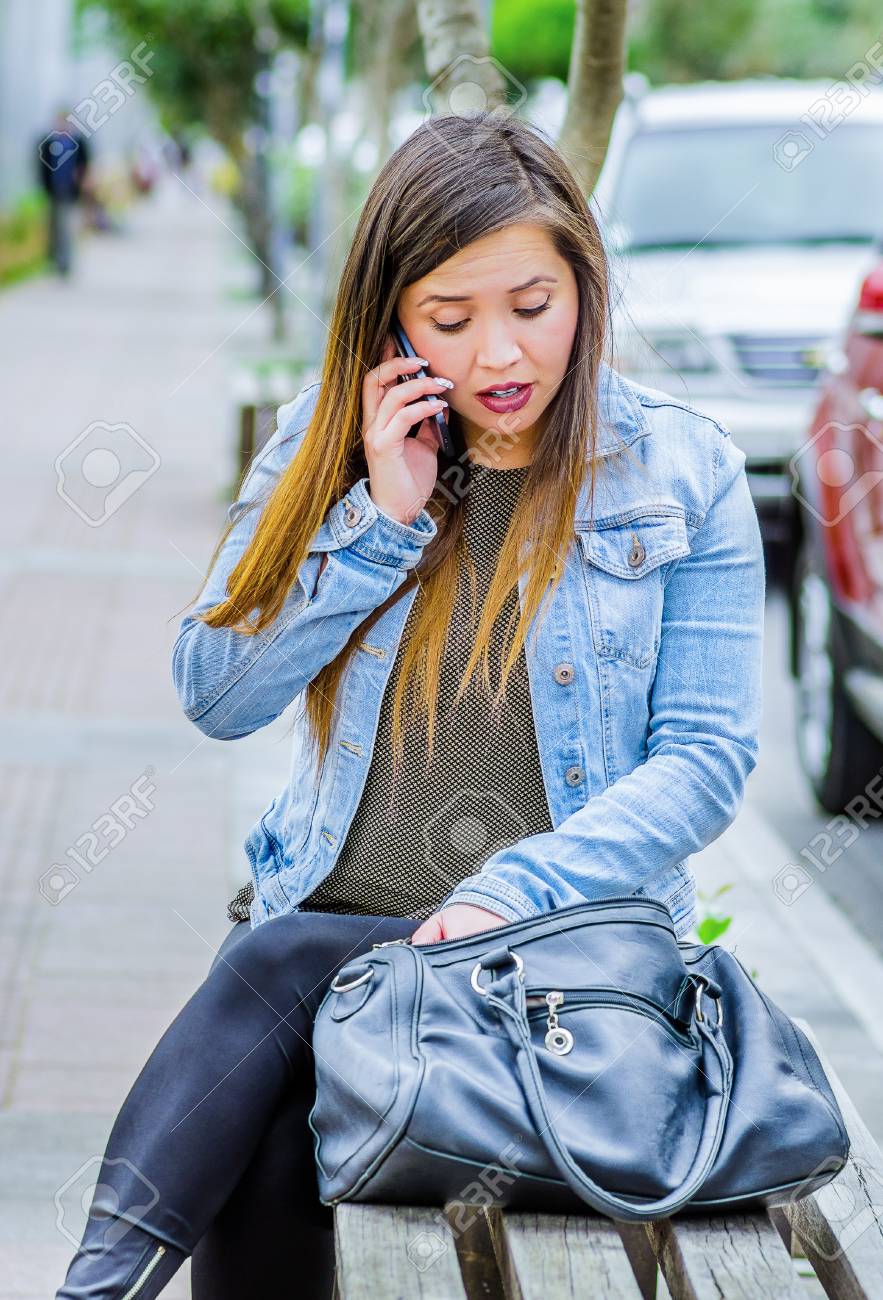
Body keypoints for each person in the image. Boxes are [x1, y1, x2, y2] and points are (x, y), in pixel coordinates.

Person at [55, 109, 765, 1298]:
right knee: (273, 1128)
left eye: (531, 307)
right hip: (332, 968)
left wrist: (506, 891)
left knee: (276, 970)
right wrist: (376, 522)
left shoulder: (681, 472)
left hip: (555, 972)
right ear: (392, 316)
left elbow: (704, 758)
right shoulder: (330, 448)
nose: (498, 355)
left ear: (584, 284)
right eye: (449, 317)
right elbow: (215, 693)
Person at [36, 109, 91, 276]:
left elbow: (85, 166)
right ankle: (54, 259)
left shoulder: (78, 143)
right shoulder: (48, 143)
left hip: (70, 192)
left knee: (66, 227)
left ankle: (65, 262)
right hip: (53, 191)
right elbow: (41, 168)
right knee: (53, 227)